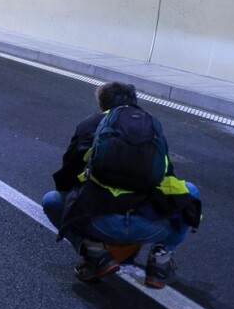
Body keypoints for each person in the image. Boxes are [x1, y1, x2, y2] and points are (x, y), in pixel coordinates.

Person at [42, 81, 201, 288]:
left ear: (102, 105)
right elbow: (168, 176)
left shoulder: (89, 124)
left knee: (52, 200)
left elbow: (67, 176)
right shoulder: (151, 125)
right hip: (150, 227)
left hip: (99, 224)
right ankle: (161, 259)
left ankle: (95, 253)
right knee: (191, 193)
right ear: (134, 102)